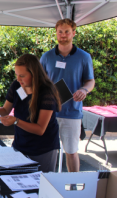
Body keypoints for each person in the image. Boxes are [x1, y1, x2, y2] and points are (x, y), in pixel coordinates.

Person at [0, 54, 61, 172]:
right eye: (17, 75)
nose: (18, 79)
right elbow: (5, 110)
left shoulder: (47, 92)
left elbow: (40, 129)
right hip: (20, 144)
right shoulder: (17, 85)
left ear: (34, 74)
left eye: (22, 76)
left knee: (41, 185)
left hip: (43, 148)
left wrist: (16, 121)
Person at [40, 19, 95, 172]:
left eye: (67, 32)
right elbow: (39, 82)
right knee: (46, 152)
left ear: (73, 33)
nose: (63, 35)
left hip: (72, 112)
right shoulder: (46, 57)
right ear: (56, 33)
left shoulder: (84, 57)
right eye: (60, 32)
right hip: (49, 112)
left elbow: (90, 81)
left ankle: (73, 188)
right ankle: (46, 186)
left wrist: (84, 90)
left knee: (71, 152)